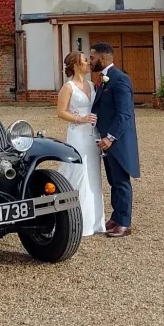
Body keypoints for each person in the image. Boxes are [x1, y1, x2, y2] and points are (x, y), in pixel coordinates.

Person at [90, 42, 140, 238]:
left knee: (121, 181)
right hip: (105, 141)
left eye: (92, 57)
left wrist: (110, 137)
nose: (91, 61)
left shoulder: (120, 80)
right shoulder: (103, 79)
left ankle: (124, 223)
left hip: (117, 141)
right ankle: (116, 216)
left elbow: (125, 114)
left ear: (102, 58)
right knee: (113, 180)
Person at [56, 51, 106, 237]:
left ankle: (95, 221)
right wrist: (81, 118)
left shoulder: (92, 85)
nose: (88, 63)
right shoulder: (68, 87)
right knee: (80, 173)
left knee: (93, 174)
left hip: (93, 134)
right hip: (78, 134)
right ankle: (77, 221)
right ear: (76, 65)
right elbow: (61, 112)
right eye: (85, 60)